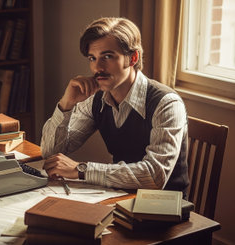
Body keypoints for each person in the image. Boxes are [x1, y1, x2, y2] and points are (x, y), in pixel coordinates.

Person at [41, 17, 189, 195]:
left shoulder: (167, 103)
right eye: (92, 58)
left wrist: (81, 170)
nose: (97, 67)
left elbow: (154, 176)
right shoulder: (97, 98)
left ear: (133, 57)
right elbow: (50, 152)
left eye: (108, 56)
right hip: (119, 196)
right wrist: (66, 104)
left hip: (163, 208)